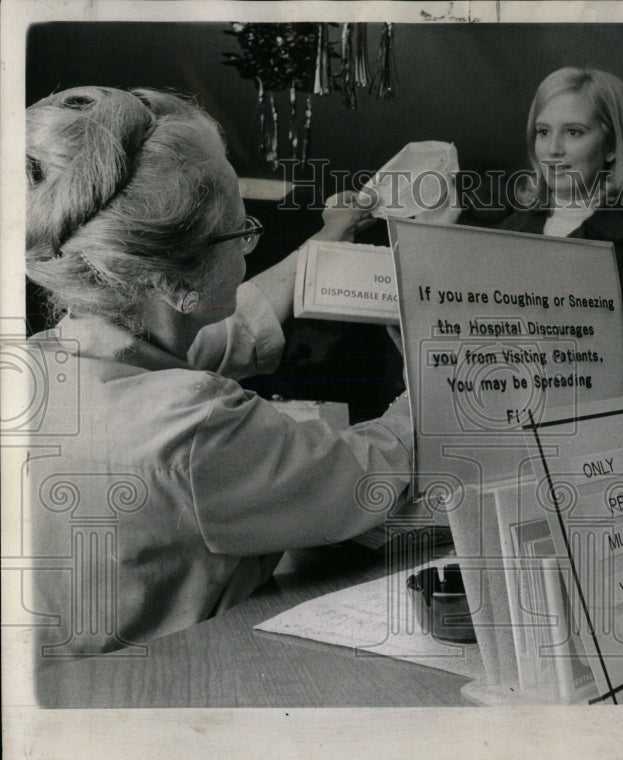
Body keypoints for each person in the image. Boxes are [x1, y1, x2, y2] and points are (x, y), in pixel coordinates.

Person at [22, 86, 412, 656]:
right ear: (175, 282)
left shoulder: (45, 361)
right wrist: (437, 364)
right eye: (241, 229)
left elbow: (221, 331)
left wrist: (327, 245)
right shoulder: (193, 423)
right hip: (162, 698)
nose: (249, 246)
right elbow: (373, 471)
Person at [498, 67, 623, 394]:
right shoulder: (501, 238)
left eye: (573, 132)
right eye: (543, 132)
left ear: (612, 146)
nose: (553, 149)